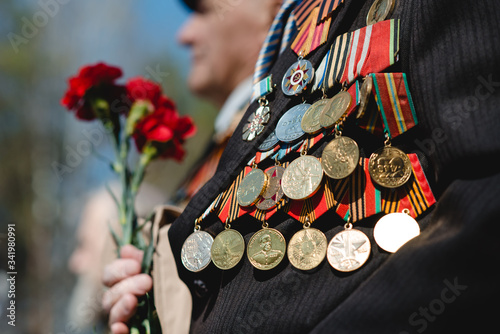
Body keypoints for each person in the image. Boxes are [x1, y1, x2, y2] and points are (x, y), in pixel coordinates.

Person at [104, 0, 500, 333]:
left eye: (203, 9)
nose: (182, 34)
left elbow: (484, 204)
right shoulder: (301, 47)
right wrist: (158, 294)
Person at [102, 0, 281, 333]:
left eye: (202, 11)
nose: (183, 36)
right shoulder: (221, 143)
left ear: (274, 7)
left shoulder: (283, 126)